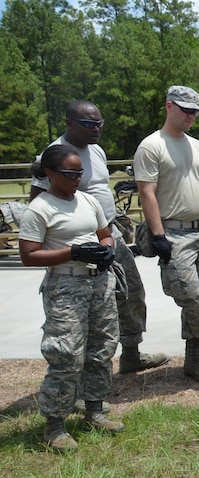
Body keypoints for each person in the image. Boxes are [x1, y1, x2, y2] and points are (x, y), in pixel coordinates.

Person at [31, 100, 167, 376]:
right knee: (87, 308)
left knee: (131, 293)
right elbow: (37, 203)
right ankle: (79, 372)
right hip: (78, 243)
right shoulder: (54, 155)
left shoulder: (96, 151)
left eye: (99, 123)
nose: (96, 129)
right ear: (69, 123)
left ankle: (131, 353)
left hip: (109, 234)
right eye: (89, 124)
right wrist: (65, 246)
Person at [19, 144, 124, 451]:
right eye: (69, 173)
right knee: (66, 356)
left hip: (99, 284)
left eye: (80, 172)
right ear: (49, 174)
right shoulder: (40, 209)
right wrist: (73, 252)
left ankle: (94, 411)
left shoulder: (88, 200)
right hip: (65, 287)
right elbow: (29, 255)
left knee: (101, 348)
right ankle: (54, 427)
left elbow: (105, 232)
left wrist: (107, 249)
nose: (77, 178)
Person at [133, 86, 199, 384]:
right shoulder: (152, 146)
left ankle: (192, 360)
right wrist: (159, 235)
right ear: (169, 106)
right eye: (185, 109)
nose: (190, 116)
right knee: (192, 296)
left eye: (194, 112)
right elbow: (146, 193)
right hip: (173, 234)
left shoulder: (198, 146)